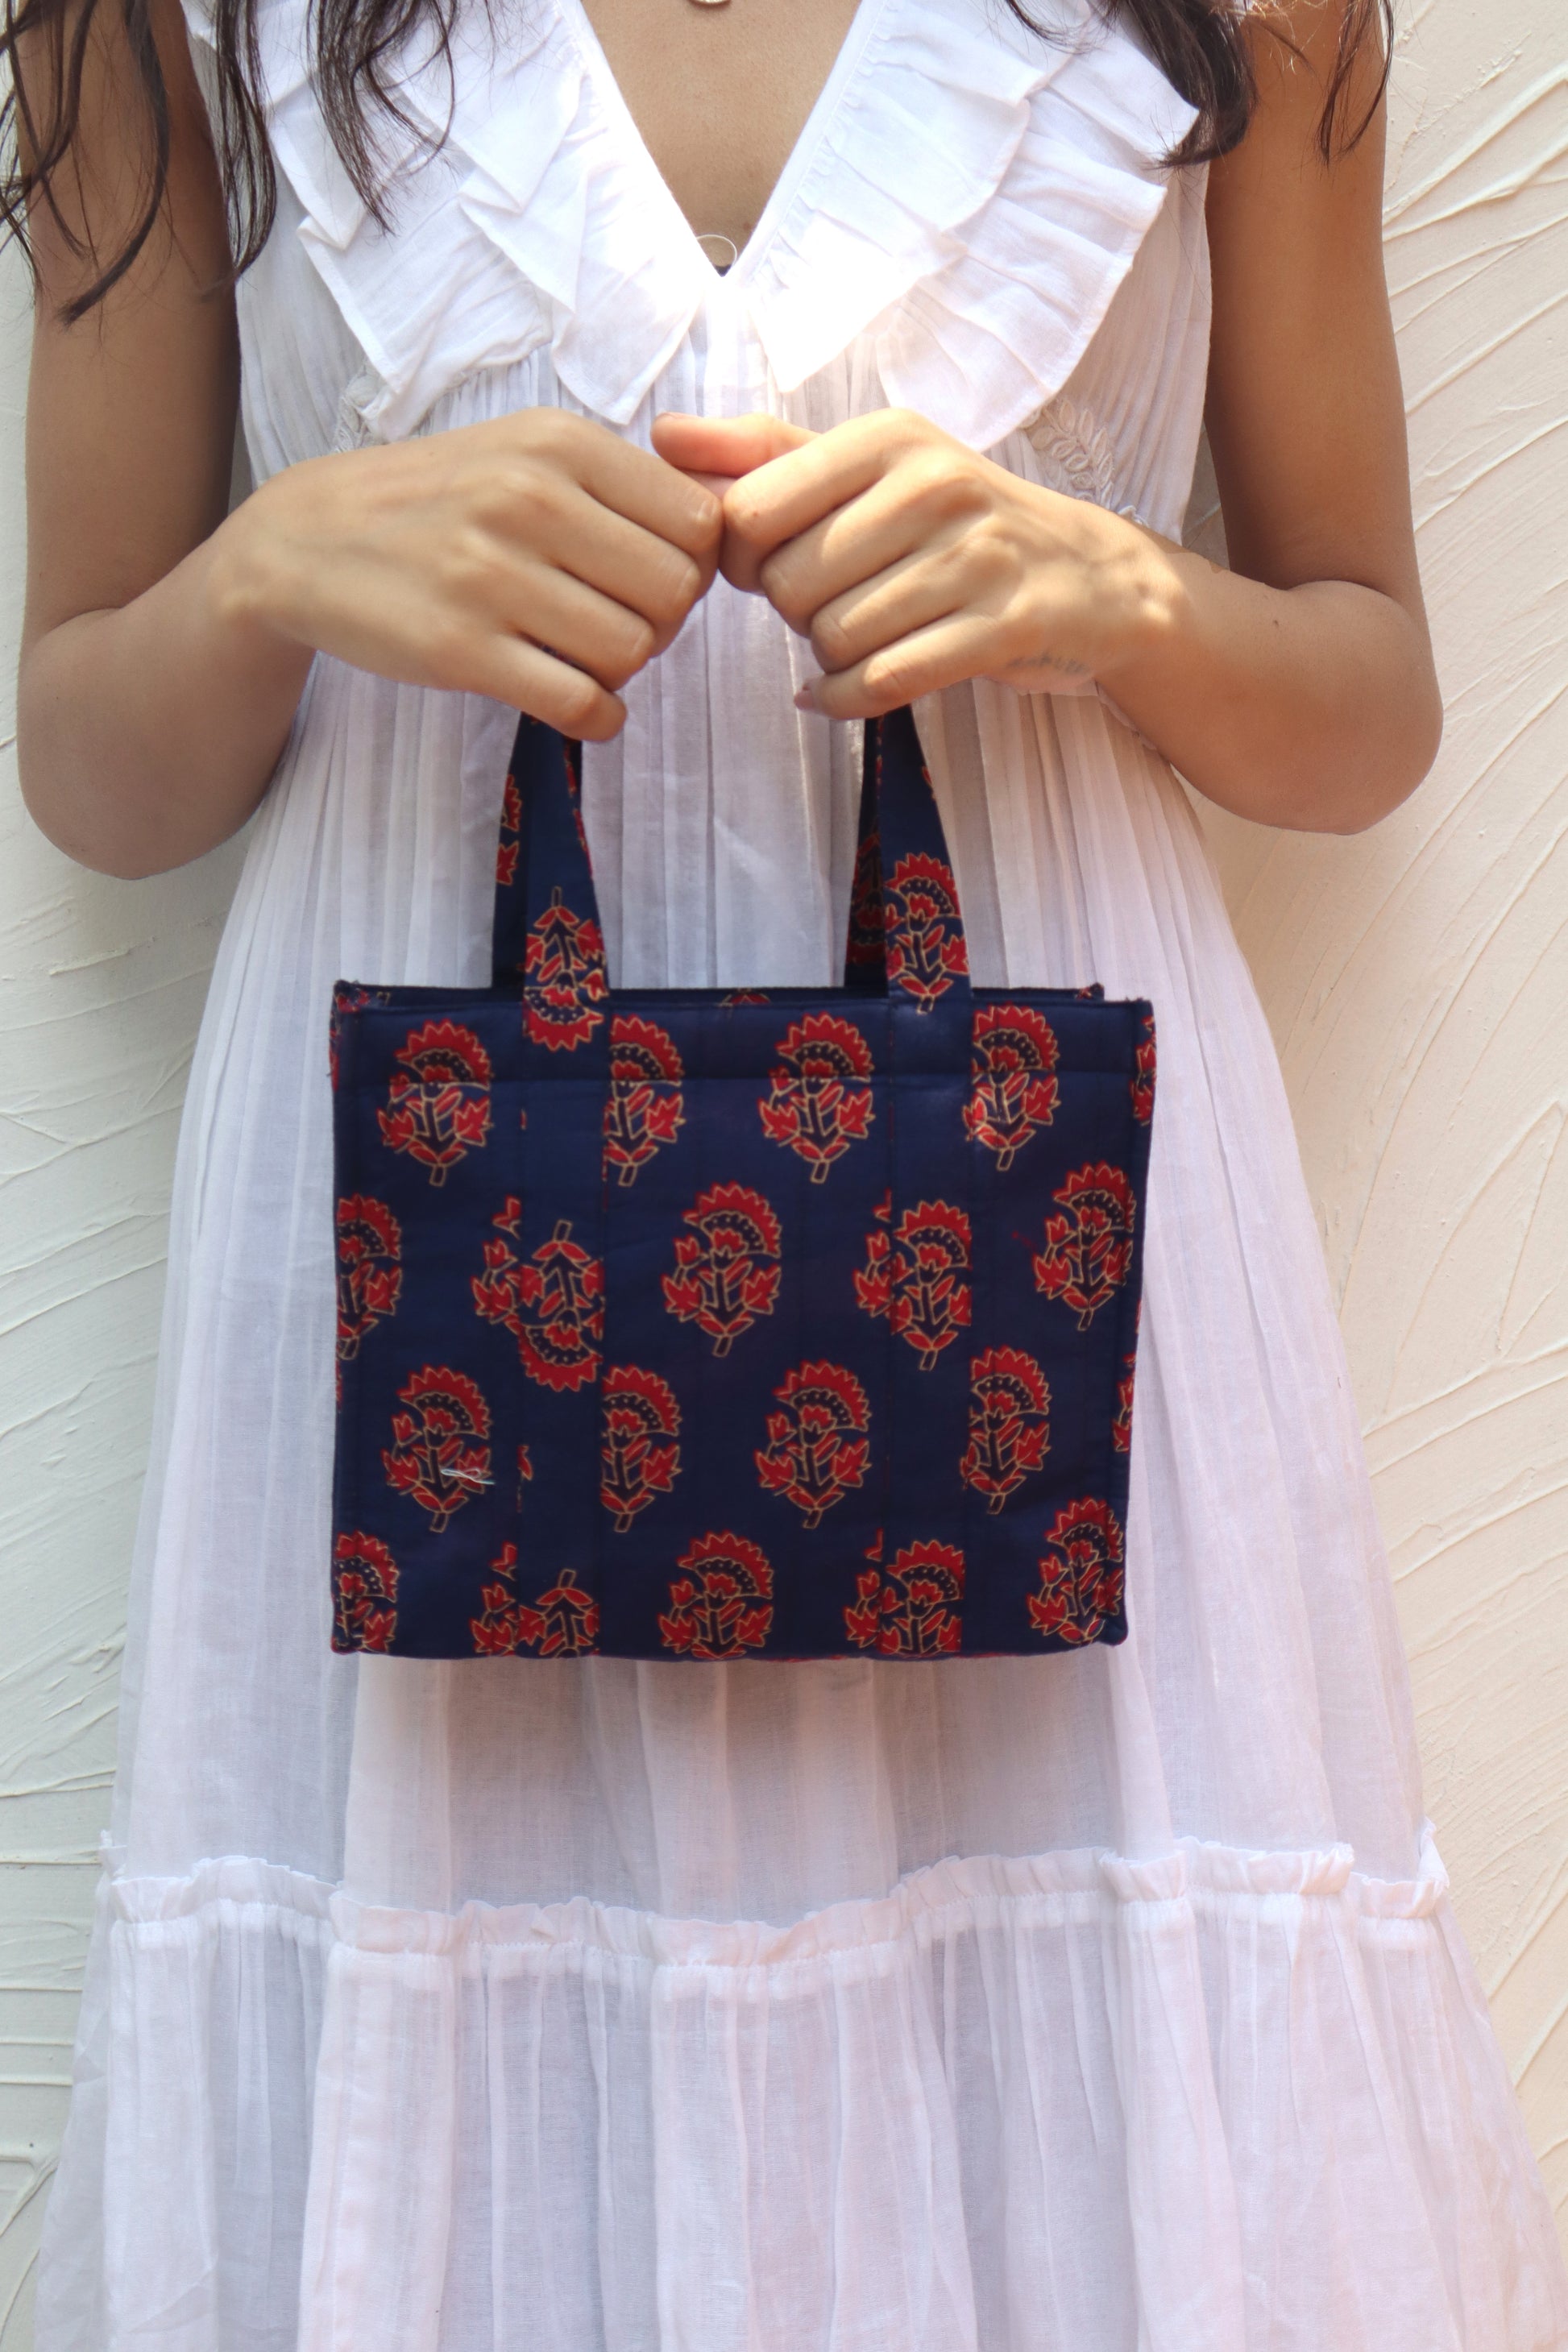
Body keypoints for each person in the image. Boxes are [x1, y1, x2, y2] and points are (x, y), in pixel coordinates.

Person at [8, 0, 1566, 2339]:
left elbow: (1366, 702)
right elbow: (90, 768)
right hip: (439, 1264)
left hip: (1038, 1262)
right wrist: (271, 572)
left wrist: (1116, 596)